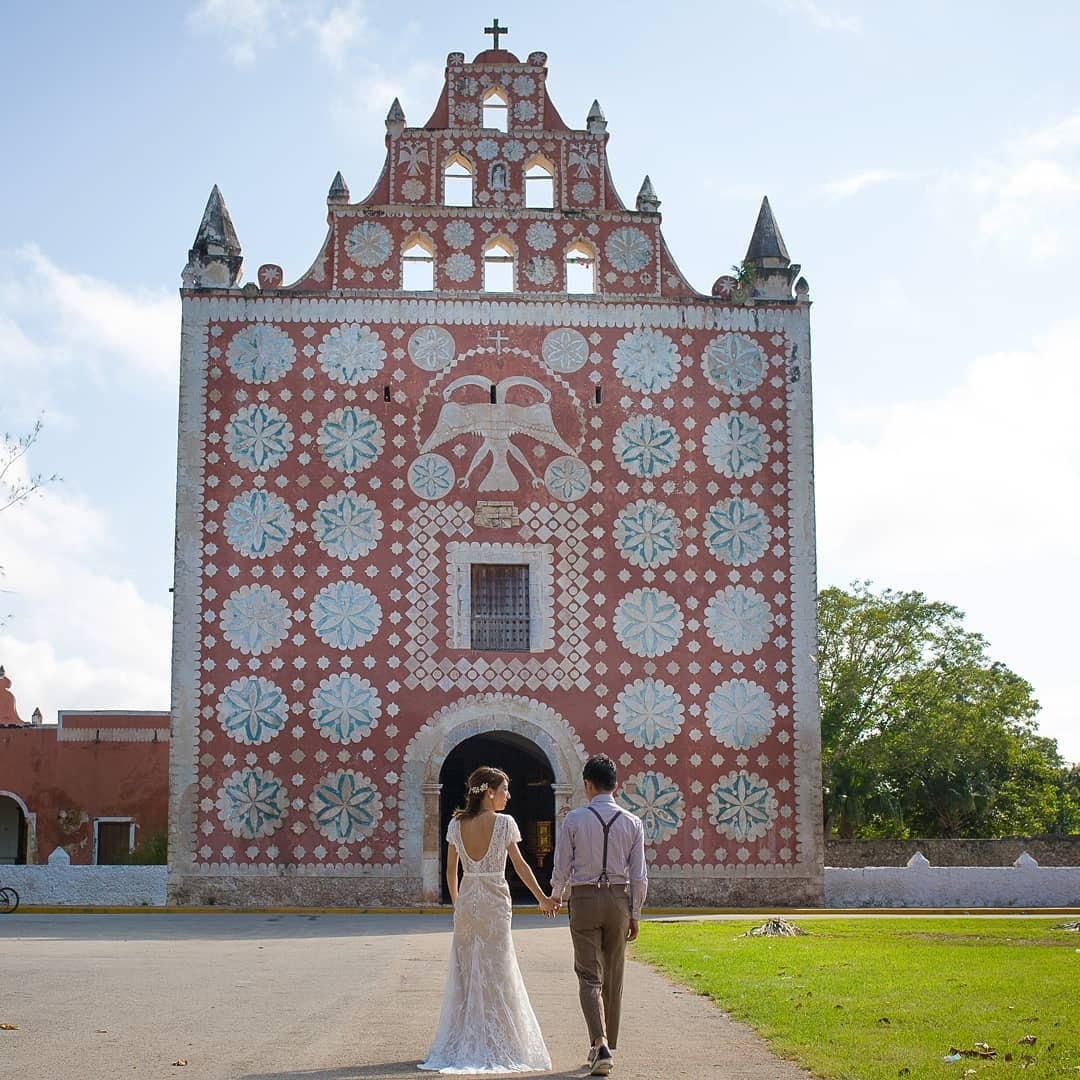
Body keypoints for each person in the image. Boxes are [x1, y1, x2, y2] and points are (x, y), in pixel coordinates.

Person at [419, 766, 556, 1074]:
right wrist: (542, 898)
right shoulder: (505, 823)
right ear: (490, 792)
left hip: (468, 900)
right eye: (504, 789)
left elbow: (450, 871)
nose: (508, 795)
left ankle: (464, 1039)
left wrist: (458, 904)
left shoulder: (457, 824)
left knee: (467, 970)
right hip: (494, 899)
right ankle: (501, 1040)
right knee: (499, 968)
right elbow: (520, 867)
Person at [548, 754, 647, 1077]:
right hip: (618, 899)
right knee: (614, 973)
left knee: (588, 975)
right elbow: (639, 876)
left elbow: (562, 866)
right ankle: (609, 1045)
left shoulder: (575, 820)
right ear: (616, 785)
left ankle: (598, 1043)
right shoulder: (633, 823)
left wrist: (555, 896)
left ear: (588, 785)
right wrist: (634, 913)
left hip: (586, 899)